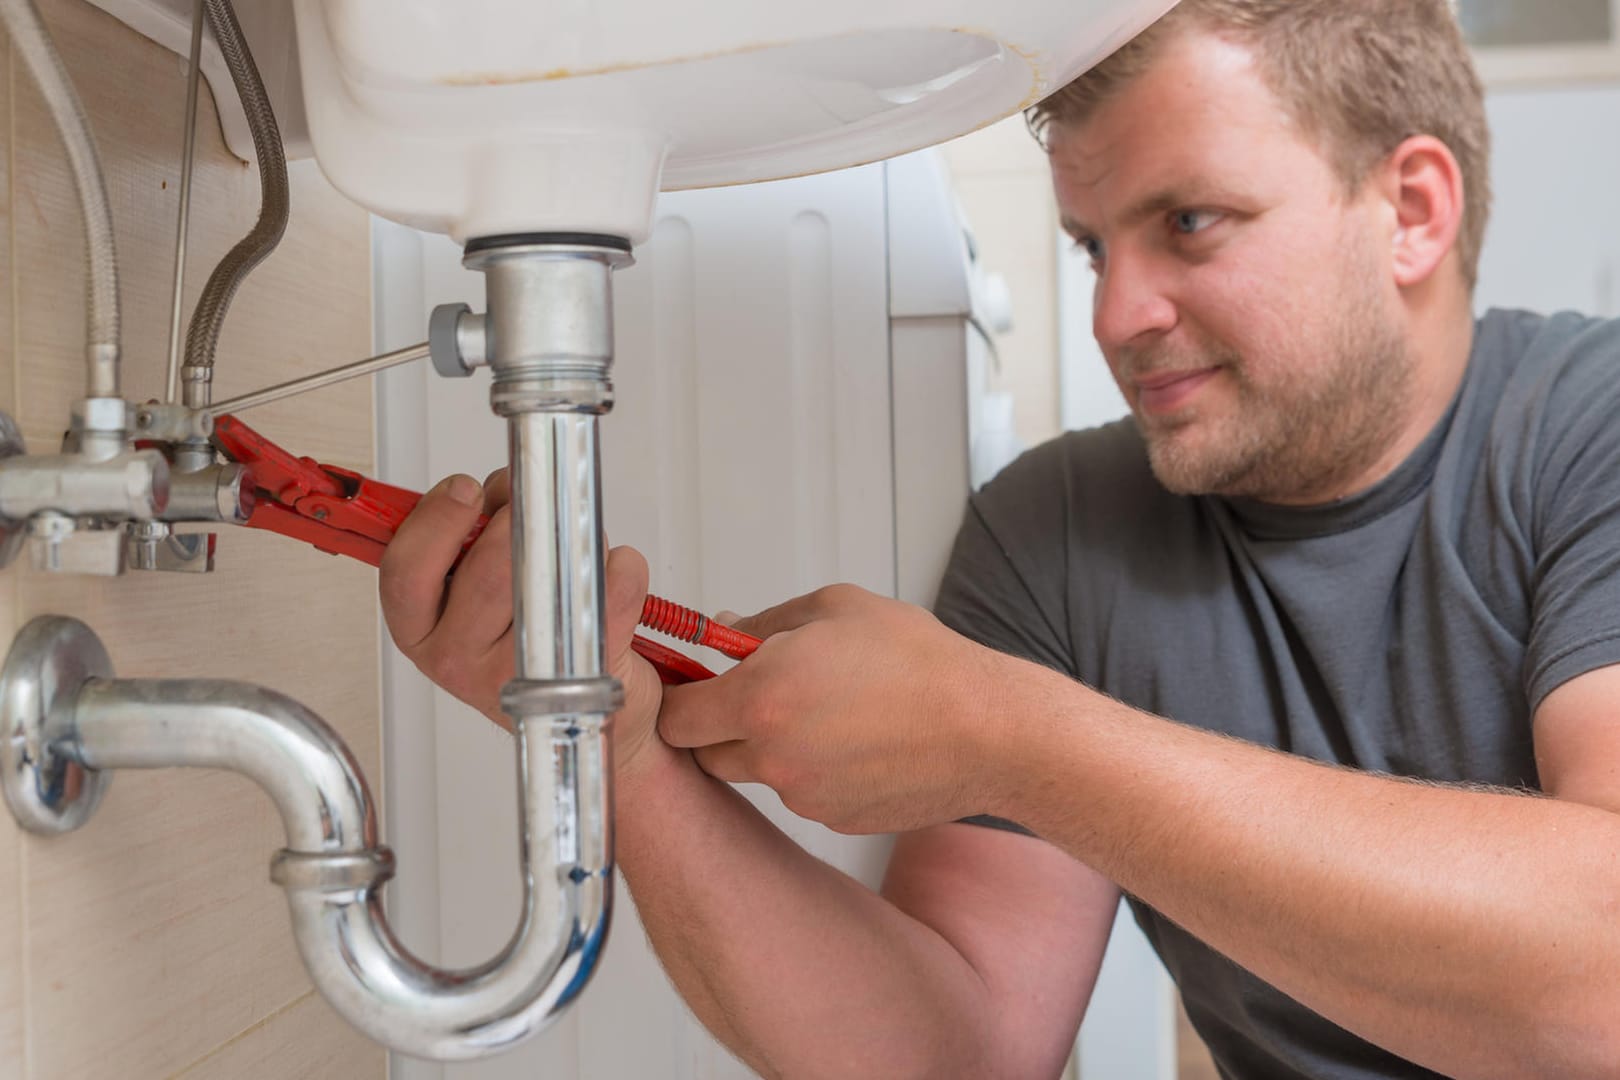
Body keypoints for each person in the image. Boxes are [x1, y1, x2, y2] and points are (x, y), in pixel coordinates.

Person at [378, 1, 1620, 1076]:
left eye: (1190, 222)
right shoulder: (1059, 527)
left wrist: (1010, 738)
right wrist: (616, 742)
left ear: (1411, 209)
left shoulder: (1593, 433)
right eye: (1094, 244)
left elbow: (1602, 981)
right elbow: (956, 1052)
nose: (1116, 316)